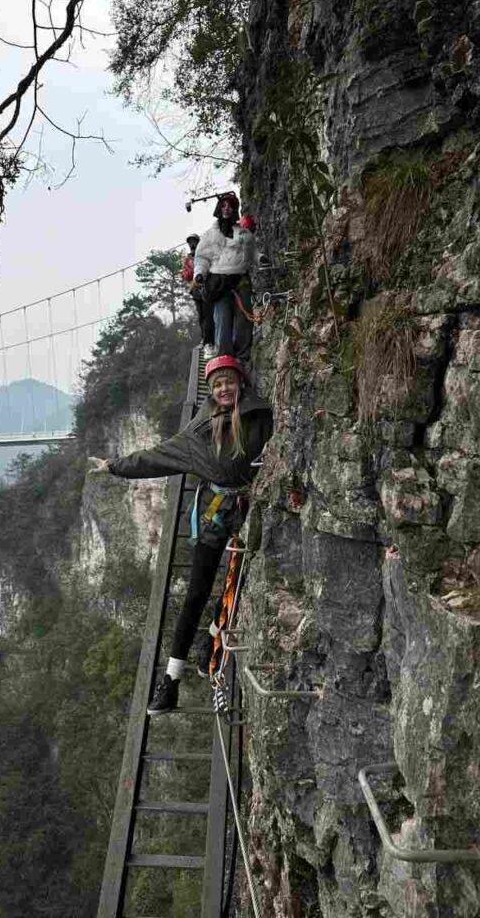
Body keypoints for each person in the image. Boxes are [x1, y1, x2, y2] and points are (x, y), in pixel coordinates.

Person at [88, 355, 273, 714]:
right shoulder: (198, 433)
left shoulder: (260, 418)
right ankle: (170, 680)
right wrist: (114, 467)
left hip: (249, 511)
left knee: (242, 584)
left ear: (240, 382)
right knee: (197, 592)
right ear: (210, 389)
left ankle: (213, 639)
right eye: (217, 383)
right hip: (213, 515)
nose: (224, 388)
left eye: (229, 381)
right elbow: (155, 457)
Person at [194, 193, 258, 362]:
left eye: (230, 205)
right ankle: (225, 356)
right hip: (220, 281)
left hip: (240, 278)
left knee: (245, 318)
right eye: (223, 205)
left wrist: (261, 258)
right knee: (222, 318)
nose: (227, 208)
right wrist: (199, 274)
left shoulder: (243, 233)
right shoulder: (209, 235)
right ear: (218, 209)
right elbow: (202, 258)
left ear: (235, 209)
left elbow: (253, 252)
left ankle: (242, 356)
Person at [179, 234, 214, 348]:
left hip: (207, 288)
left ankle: (209, 340)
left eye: (194, 241)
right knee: (201, 316)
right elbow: (186, 275)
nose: (192, 244)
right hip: (195, 290)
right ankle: (205, 338)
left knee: (208, 314)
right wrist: (186, 271)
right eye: (190, 242)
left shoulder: (204, 254)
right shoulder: (187, 259)